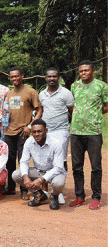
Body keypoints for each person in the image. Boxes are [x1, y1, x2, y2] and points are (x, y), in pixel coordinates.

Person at [69, 61, 108, 210]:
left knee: (96, 166)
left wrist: (94, 115)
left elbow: (106, 106)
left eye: (86, 70)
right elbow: (72, 106)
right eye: (81, 71)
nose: (83, 73)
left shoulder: (102, 86)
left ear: (92, 71)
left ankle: (96, 197)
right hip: (76, 132)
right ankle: (79, 196)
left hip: (93, 133)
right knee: (77, 167)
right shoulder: (74, 86)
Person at [4, 67, 43, 199]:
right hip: (9, 131)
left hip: (23, 132)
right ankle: (10, 188)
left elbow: (39, 111)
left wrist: (30, 126)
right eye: (12, 77)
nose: (14, 79)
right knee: (9, 161)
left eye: (16, 76)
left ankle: (24, 191)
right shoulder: (9, 93)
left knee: (23, 160)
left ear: (22, 76)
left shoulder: (31, 92)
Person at [12, 119, 66, 210]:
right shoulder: (29, 142)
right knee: (16, 175)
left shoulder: (56, 143)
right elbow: (24, 161)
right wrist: (25, 177)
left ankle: (54, 196)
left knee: (59, 183)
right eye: (34, 132)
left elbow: (58, 168)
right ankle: (39, 194)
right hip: (38, 171)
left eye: (39, 131)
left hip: (54, 173)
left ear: (46, 131)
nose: (36, 134)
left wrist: (41, 180)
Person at [39, 68, 74, 205]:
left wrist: (64, 125)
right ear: (46, 78)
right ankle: (45, 191)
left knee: (61, 161)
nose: (52, 79)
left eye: (54, 76)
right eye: (49, 76)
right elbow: (41, 111)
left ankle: (58, 192)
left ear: (58, 77)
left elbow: (72, 112)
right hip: (46, 132)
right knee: (45, 161)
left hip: (61, 131)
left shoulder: (66, 93)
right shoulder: (41, 94)